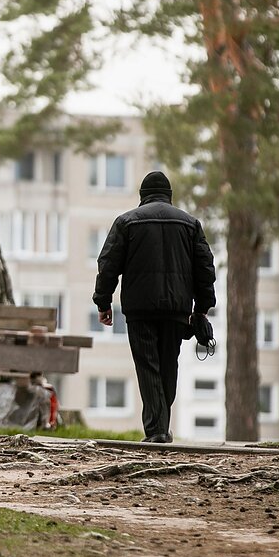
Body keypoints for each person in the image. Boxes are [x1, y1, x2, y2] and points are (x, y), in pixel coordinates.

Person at [92, 170, 216, 443]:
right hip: (177, 310)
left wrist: (103, 301)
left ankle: (156, 430)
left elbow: (108, 264)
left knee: (148, 367)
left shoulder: (126, 222)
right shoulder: (190, 224)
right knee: (168, 366)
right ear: (169, 196)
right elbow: (205, 267)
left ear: (142, 196)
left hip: (140, 310)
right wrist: (203, 306)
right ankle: (162, 428)